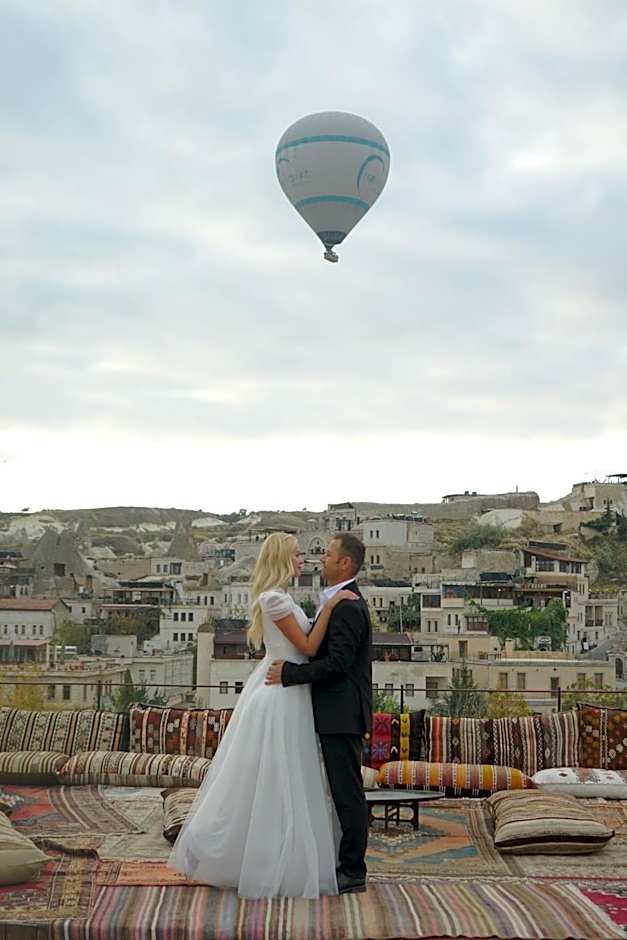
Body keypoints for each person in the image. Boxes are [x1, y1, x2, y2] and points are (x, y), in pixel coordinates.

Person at [168, 532, 358, 899]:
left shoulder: (283, 597)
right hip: (280, 695)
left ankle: (275, 853)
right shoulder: (274, 599)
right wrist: (332, 608)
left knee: (286, 775)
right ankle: (222, 848)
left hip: (290, 689)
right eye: (298, 555)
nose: (305, 560)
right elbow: (306, 646)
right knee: (275, 776)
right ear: (282, 559)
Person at [265, 533, 373, 895]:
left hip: (341, 713)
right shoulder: (337, 603)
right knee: (339, 791)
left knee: (347, 794)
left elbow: (337, 665)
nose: (319, 559)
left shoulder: (348, 606)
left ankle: (353, 871)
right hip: (332, 712)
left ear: (344, 564)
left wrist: (290, 675)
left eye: (327, 555)